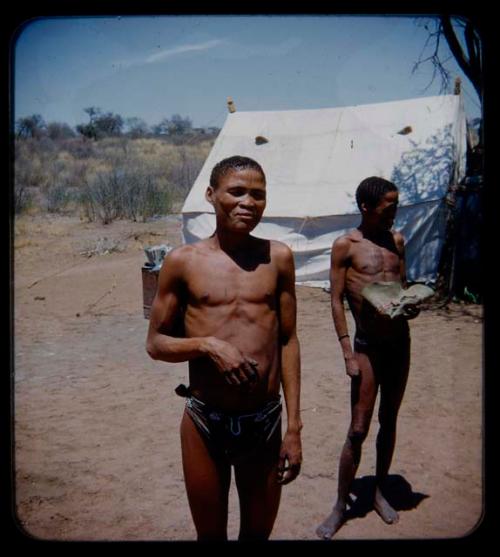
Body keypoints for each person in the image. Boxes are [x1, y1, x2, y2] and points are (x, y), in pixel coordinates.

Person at [146, 155, 302, 541]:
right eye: (237, 191)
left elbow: (287, 339)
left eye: (258, 194)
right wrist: (207, 345)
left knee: (257, 535)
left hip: (264, 422)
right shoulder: (182, 262)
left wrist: (294, 427)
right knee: (210, 536)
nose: (248, 202)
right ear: (211, 195)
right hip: (205, 422)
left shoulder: (278, 257)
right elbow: (155, 343)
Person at [316, 176, 420, 539]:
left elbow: (401, 289)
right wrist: (347, 351)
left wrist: (411, 305)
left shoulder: (398, 241)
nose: (394, 212)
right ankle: (340, 506)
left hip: (398, 345)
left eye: (396, 205)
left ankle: (377, 492)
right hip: (366, 347)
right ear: (367, 207)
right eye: (388, 206)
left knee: (389, 419)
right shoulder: (345, 246)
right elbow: (335, 300)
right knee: (358, 428)